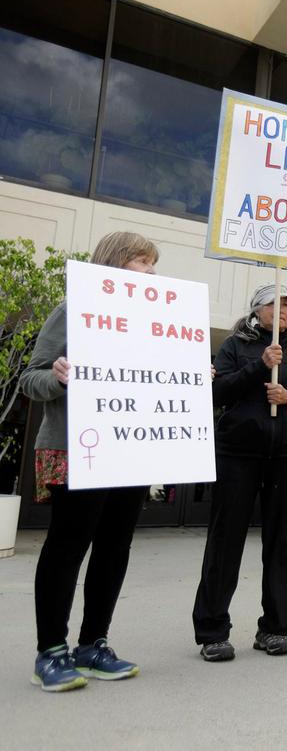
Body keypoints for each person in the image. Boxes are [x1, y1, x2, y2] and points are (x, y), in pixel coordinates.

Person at [20, 231, 160, 692]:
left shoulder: (156, 322)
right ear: (115, 262)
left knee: (115, 547)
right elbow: (30, 377)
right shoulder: (73, 309)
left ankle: (93, 644)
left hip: (130, 449)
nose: (151, 271)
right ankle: (50, 651)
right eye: (142, 261)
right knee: (68, 544)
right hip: (78, 448)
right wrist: (58, 377)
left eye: (153, 264)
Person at [192, 285, 287, 661]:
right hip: (238, 455)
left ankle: (274, 628)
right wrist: (259, 366)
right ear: (257, 310)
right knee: (225, 541)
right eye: (274, 303)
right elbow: (217, 392)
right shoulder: (235, 346)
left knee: (283, 543)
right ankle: (212, 631)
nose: (282, 310)